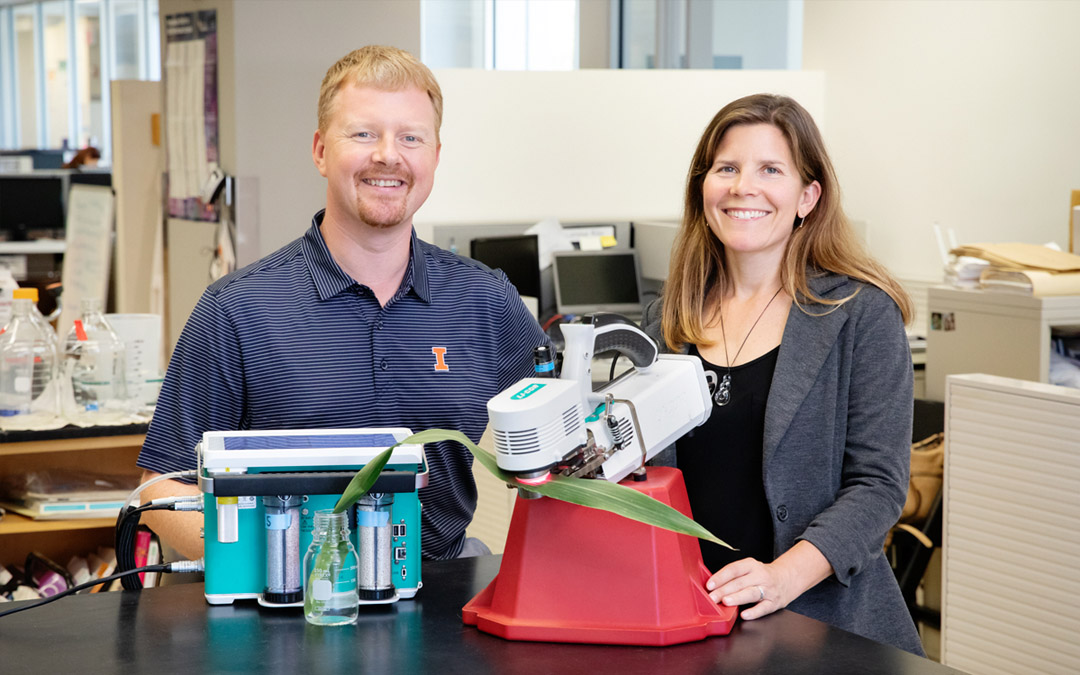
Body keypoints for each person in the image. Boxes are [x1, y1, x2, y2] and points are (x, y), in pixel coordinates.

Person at [137, 45, 549, 561]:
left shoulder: (484, 301)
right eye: (363, 133)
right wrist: (275, 561)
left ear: (435, 157)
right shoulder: (237, 311)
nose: (388, 155)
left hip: (443, 606)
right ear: (320, 151)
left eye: (411, 137)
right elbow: (160, 492)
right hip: (284, 607)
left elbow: (570, 440)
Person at [641, 94, 923, 655]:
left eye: (771, 169)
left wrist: (783, 576)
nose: (744, 186)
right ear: (704, 188)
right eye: (727, 168)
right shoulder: (666, 318)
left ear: (807, 196)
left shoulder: (860, 313)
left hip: (824, 628)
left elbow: (878, 487)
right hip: (694, 620)